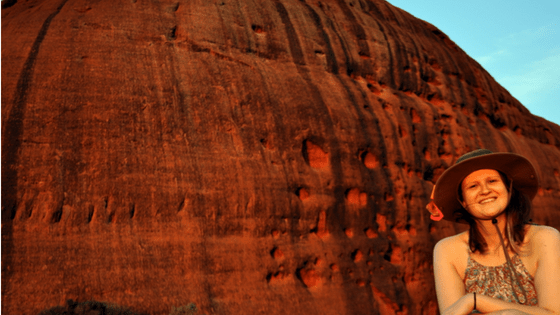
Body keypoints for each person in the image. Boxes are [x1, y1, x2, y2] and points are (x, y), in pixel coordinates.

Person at [425, 149, 560, 315]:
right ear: (463, 201)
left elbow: (553, 313)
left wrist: (475, 300)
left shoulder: (544, 237)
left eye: (492, 181)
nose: (485, 190)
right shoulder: (448, 249)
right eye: (473, 186)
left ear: (508, 188)